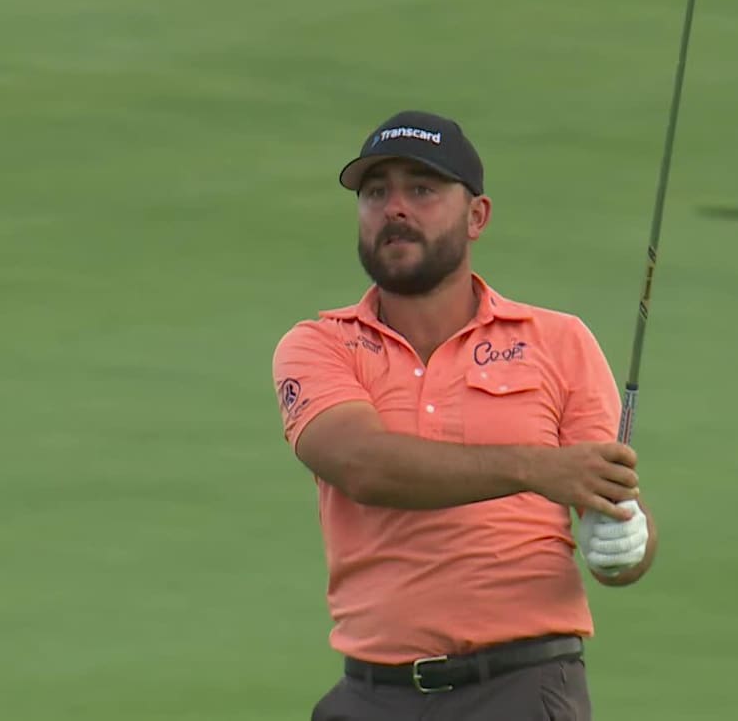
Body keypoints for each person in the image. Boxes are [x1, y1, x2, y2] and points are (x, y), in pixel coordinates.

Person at [271, 110, 660, 720]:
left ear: (476, 216)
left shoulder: (558, 342)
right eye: (377, 193)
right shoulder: (319, 345)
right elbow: (364, 467)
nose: (395, 208)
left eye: (421, 189)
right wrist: (537, 469)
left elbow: (607, 507)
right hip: (371, 695)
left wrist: (625, 543)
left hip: (521, 689)